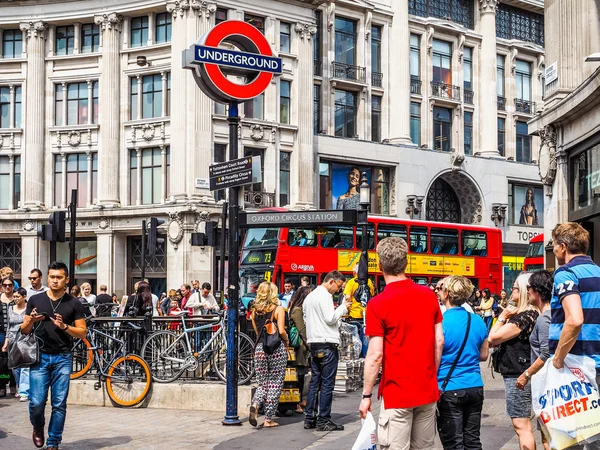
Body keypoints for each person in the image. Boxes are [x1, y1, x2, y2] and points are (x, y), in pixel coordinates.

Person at [359, 238, 444, 449]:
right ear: (406, 263)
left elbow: (375, 355)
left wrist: (366, 395)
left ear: (380, 266)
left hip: (397, 392)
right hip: (426, 390)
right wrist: (431, 375)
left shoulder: (377, 304)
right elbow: (439, 341)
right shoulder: (428, 295)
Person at [22, 261, 86, 450]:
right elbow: (24, 330)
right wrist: (31, 321)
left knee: (59, 404)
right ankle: (38, 426)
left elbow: (82, 332)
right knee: (36, 402)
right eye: (52, 277)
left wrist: (65, 327)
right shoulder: (36, 300)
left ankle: (53, 442)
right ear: (47, 278)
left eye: (59, 277)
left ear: (66, 280)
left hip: (62, 358)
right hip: (39, 357)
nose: (55, 280)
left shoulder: (73, 303)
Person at [549, 223, 600, 450]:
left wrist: (558, 359)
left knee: (571, 442)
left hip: (576, 370)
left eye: (553, 246)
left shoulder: (565, 273)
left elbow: (575, 319)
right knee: (594, 440)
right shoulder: (598, 272)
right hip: (596, 366)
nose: (553, 251)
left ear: (563, 247)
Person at [436, 276, 489, 450]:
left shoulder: (440, 323)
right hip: (475, 386)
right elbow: (484, 355)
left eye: (441, 289)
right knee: (473, 441)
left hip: (449, 387)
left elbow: (434, 356)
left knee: (453, 444)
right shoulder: (478, 320)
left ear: (447, 294)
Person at [488, 272, 538, 450]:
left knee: (521, 425)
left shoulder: (523, 317)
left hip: (518, 374)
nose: (511, 290)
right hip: (523, 371)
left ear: (524, 291)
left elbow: (492, 338)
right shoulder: (532, 314)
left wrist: (502, 318)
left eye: (515, 287)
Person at [303, 271, 350, 431]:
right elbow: (330, 318)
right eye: (338, 286)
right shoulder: (325, 296)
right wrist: (343, 308)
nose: (338, 290)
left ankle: (309, 418)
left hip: (313, 344)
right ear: (331, 281)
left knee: (315, 382)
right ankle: (323, 420)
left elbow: (305, 318)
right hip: (327, 344)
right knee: (327, 384)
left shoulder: (309, 297)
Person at [515, 270, 553, 450]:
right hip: (548, 382)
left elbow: (546, 353)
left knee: (548, 437)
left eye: (529, 288)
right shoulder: (550, 315)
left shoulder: (544, 319)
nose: (527, 291)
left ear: (537, 291)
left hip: (547, 384)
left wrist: (526, 374)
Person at [249, 282, 289, 428]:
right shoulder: (278, 309)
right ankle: (268, 419)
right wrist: (286, 340)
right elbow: (282, 330)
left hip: (260, 348)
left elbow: (257, 332)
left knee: (262, 383)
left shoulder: (254, 312)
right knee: (275, 382)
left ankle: (255, 403)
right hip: (276, 349)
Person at [2, 287, 30, 402]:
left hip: (24, 338)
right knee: (15, 367)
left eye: (18, 296)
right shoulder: (11, 308)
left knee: (24, 366)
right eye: (14, 297)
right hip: (13, 339)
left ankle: (24, 391)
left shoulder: (29, 308)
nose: (15, 299)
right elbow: (8, 326)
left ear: (24, 297)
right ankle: (20, 387)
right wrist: (6, 342)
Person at [288, 286, 311, 414]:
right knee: (298, 375)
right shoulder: (297, 310)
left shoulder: (300, 309)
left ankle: (300, 399)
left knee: (301, 375)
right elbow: (301, 329)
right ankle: (296, 402)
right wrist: (309, 344)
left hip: (302, 346)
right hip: (299, 347)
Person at [343, 264, 375, 357]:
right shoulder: (369, 282)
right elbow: (371, 296)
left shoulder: (351, 282)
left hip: (354, 316)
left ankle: (356, 357)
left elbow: (347, 297)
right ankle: (365, 356)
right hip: (366, 315)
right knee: (365, 339)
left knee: (354, 340)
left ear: (354, 272)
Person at [0, 275, 17, 397]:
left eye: (10, 285)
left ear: (13, 286)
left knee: (14, 361)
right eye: (5, 285)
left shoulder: (17, 298)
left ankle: (13, 384)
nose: (7, 287)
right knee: (2, 362)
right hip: (1, 333)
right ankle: (2, 384)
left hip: (14, 333)